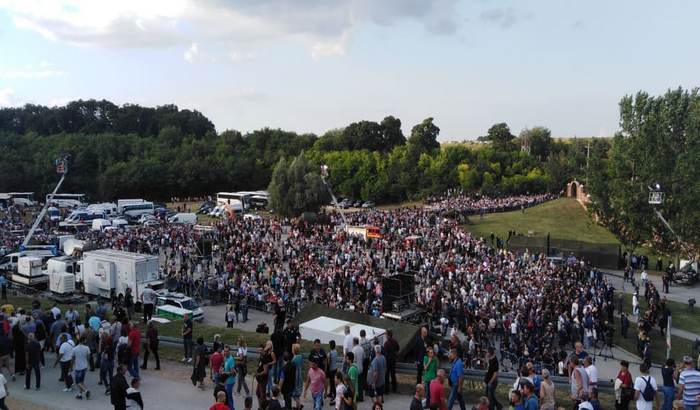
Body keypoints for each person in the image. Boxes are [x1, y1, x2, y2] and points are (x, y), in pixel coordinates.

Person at [72, 335, 91, 400]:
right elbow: (88, 357)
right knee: (81, 381)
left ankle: (86, 391)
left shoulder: (74, 349)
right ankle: (80, 394)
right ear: (84, 341)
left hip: (78, 367)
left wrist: (71, 366)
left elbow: (73, 359)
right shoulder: (87, 348)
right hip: (84, 366)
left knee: (78, 382)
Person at [383, 329, 399, 395]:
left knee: (387, 376)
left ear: (388, 335)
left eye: (386, 334)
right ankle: (394, 389)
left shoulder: (386, 343)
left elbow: (384, 353)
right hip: (393, 360)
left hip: (388, 360)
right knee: (393, 374)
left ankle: (387, 390)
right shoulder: (395, 341)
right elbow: (398, 349)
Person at [222, 345, 237, 410]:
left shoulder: (231, 359)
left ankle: (232, 408)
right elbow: (225, 367)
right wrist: (222, 369)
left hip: (230, 381)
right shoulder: (225, 358)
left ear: (229, 351)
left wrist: (224, 373)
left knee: (228, 397)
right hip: (227, 381)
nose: (226, 352)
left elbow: (232, 372)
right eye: (225, 351)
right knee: (229, 397)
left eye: (227, 351)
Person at [351, 337, 365, 402]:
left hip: (356, 368)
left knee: (355, 384)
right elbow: (363, 358)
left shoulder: (354, 349)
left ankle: (356, 397)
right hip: (361, 368)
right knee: (360, 384)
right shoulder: (361, 348)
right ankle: (361, 397)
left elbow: (353, 360)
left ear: (354, 342)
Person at [327, 340, 339, 405]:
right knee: (332, 382)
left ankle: (334, 395)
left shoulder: (330, 353)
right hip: (335, 368)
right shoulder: (336, 351)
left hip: (331, 369)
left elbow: (329, 362)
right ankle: (331, 393)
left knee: (332, 383)